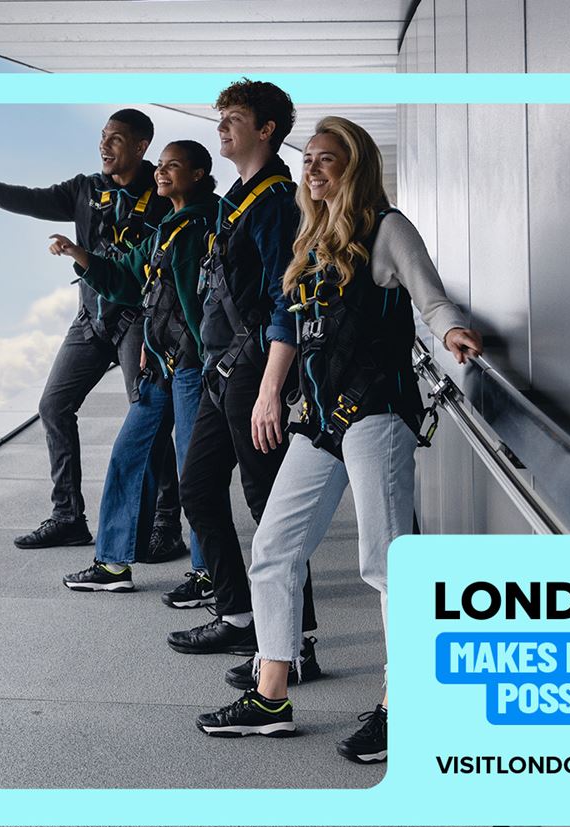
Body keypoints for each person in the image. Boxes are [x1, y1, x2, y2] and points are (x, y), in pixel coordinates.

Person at [194, 116, 484, 766]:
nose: (314, 169)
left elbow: (429, 298)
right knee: (272, 548)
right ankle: (271, 695)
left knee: (386, 565)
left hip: (378, 411)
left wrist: (453, 332)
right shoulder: (311, 241)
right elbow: (292, 330)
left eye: (328, 160)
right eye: (311, 160)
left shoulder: (387, 228)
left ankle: (406, 706)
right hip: (319, 417)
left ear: (354, 168)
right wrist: (272, 391)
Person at [0, 110, 187, 562]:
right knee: (53, 406)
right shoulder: (85, 189)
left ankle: (165, 524)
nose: (105, 146)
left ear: (140, 147)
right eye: (103, 137)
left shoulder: (160, 192)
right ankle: (68, 518)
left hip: (139, 319)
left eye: (116, 139)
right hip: (91, 319)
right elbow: (33, 200)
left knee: (148, 421)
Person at [162, 79, 320, 683]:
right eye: (220, 117)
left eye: (234, 118)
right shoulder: (240, 196)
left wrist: (270, 390)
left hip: (253, 373)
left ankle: (298, 646)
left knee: (270, 509)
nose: (222, 127)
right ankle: (238, 615)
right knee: (198, 488)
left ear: (266, 130)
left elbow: (287, 299)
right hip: (220, 371)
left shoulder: (277, 201)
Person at [43, 141, 217, 591]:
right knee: (128, 454)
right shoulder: (168, 227)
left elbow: (211, 303)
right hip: (161, 363)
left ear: (198, 174)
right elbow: (129, 275)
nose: (160, 172)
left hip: (194, 368)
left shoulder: (210, 223)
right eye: (159, 166)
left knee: (191, 468)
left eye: (172, 166)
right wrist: (78, 253)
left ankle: (207, 571)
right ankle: (112, 564)